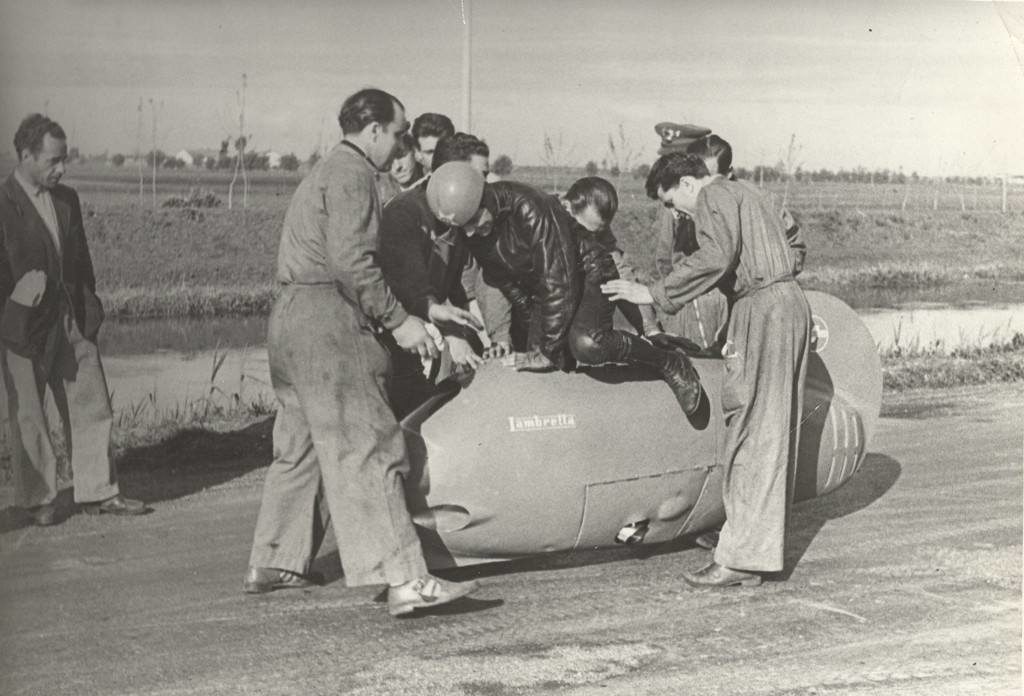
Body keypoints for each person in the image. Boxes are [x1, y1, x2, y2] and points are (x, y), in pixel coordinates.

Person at [244, 88, 479, 616]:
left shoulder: (324, 170)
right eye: (399, 134)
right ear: (373, 131)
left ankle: (275, 559)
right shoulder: (353, 175)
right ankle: (405, 579)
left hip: (290, 319)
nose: (404, 148)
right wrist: (399, 323)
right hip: (330, 319)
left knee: (301, 444)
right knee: (371, 443)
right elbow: (352, 262)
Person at [602, 153, 811, 588]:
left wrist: (654, 293)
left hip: (764, 309)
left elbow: (717, 255)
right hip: (787, 304)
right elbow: (794, 243)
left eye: (670, 201)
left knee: (750, 431)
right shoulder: (749, 190)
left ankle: (739, 560)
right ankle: (752, 553)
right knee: (770, 430)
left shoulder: (713, 195)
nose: (674, 212)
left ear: (687, 183)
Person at [427, 169, 702, 415]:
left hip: (587, 271)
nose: (473, 233)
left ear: (485, 198)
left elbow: (559, 281)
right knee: (534, 359)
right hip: (548, 286)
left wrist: (546, 350)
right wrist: (533, 340)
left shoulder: (529, 206)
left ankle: (669, 362)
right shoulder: (474, 230)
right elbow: (508, 283)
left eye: (475, 220)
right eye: (465, 228)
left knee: (587, 344)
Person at [0, 114, 147, 526]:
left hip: (71, 319)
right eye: (53, 160)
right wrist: (9, 319)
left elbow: (81, 261)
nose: (61, 169)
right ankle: (38, 501)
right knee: (28, 411)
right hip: (22, 326)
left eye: (64, 160)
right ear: (26, 155)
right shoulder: (3, 203)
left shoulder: (68, 199)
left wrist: (89, 311)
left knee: (91, 402)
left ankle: (99, 491)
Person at [378, 134, 493, 418]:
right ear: (451, 176)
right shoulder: (405, 213)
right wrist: (453, 336)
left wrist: (491, 341)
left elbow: (464, 290)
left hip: (428, 327)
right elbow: (409, 289)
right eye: (478, 176)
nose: (484, 186)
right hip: (394, 332)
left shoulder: (458, 218)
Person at [377, 132, 424, 204]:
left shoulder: (432, 180)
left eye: (401, 155)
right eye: (389, 160)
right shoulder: (380, 194)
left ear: (414, 150)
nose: (397, 166)